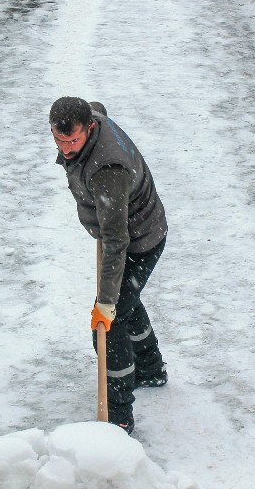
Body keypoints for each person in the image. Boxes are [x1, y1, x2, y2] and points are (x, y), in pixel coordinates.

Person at [49, 96, 168, 434]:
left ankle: (118, 416)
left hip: (140, 240)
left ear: (89, 128)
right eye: (59, 139)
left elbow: (117, 242)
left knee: (109, 325)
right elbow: (97, 104)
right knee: (127, 302)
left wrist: (105, 304)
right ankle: (150, 369)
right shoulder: (93, 115)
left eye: (73, 141)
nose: (66, 149)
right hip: (135, 230)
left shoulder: (107, 171)